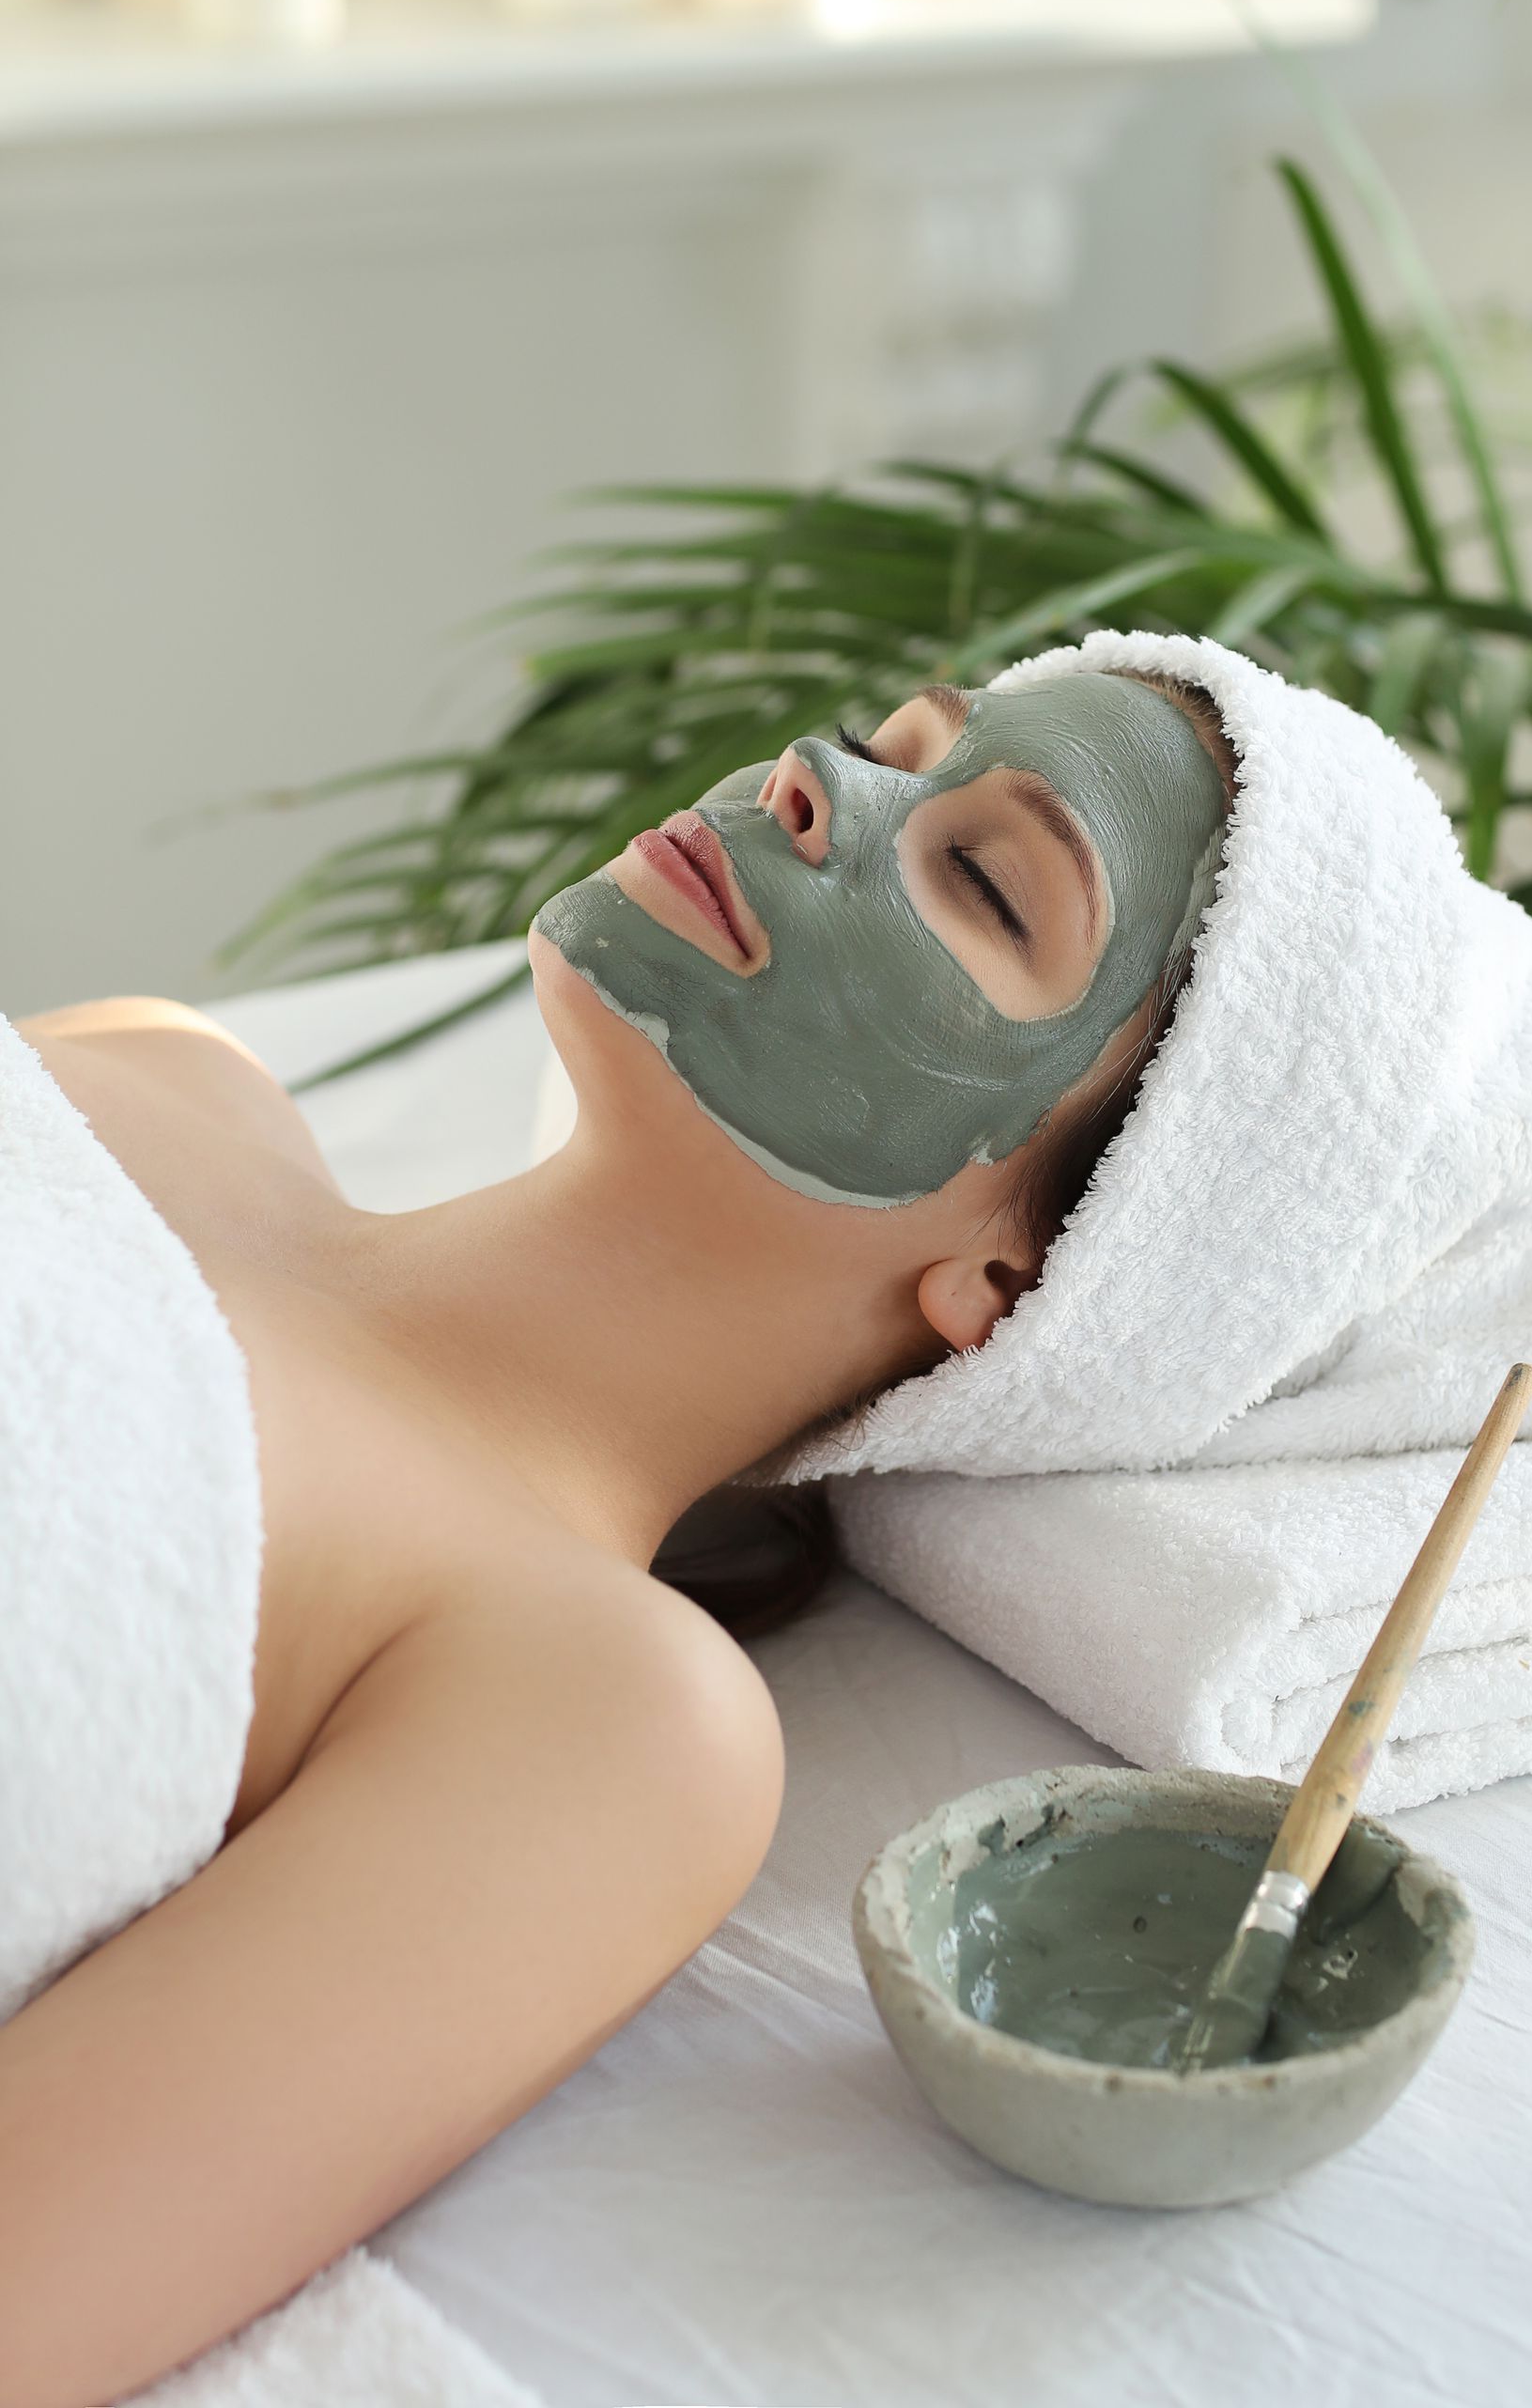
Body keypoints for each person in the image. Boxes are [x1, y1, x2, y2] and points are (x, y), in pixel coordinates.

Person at [0, 659, 1234, 2405]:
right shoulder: (153, 1075)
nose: (817, 780)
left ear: (1016, 1281)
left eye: (981, 878)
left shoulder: (611, 1714)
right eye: (891, 746)